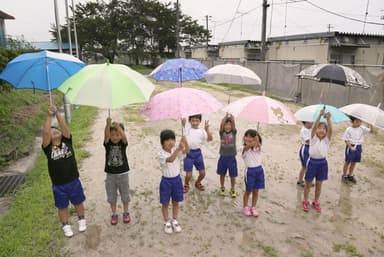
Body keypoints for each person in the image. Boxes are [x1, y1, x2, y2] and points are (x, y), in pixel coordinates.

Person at [42, 105, 86, 238]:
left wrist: (57, 114)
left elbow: (63, 125)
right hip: (58, 185)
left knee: (78, 202)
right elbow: (45, 133)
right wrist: (49, 116)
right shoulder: (48, 148)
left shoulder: (67, 141)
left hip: (73, 181)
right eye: (51, 131)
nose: (53, 131)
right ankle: (66, 225)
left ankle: (81, 219)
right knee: (62, 206)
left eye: (56, 130)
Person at [159, 129, 189, 234]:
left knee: (176, 202)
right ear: (162, 142)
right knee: (165, 203)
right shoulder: (161, 154)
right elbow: (170, 159)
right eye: (167, 140)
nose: (171, 141)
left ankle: (175, 220)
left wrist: (185, 142)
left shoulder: (175, 150)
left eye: (173, 139)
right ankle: (166, 221)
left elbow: (186, 151)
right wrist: (178, 149)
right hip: (166, 181)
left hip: (177, 180)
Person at [302, 108, 332, 212]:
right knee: (308, 184)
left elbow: (331, 131)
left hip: (323, 163)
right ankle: (305, 200)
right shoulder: (313, 138)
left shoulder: (326, 140)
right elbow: (314, 127)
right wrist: (319, 116)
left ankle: (316, 201)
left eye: (324, 129)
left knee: (319, 185)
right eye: (320, 128)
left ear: (326, 132)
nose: (321, 130)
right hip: (312, 162)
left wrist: (328, 120)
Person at [104, 117, 131, 225]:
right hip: (110, 175)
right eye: (112, 135)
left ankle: (126, 212)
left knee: (125, 195)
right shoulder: (108, 144)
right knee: (112, 196)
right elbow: (106, 135)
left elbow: (124, 137)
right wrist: (108, 124)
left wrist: (118, 127)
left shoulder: (122, 144)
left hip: (123, 174)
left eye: (117, 135)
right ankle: (114, 214)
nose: (115, 137)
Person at [182, 114, 213, 193]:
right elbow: (183, 122)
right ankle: (186, 184)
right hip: (188, 154)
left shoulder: (202, 131)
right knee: (188, 175)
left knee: (202, 173)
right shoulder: (187, 129)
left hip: (198, 154)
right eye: (193, 120)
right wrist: (183, 123)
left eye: (197, 120)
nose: (195, 122)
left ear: (200, 121)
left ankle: (198, 182)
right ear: (190, 121)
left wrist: (207, 129)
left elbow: (210, 139)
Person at [342, 116, 373, 184]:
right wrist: (350, 147)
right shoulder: (349, 129)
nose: (359, 123)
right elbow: (346, 140)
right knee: (347, 162)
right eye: (357, 121)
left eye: (360, 121)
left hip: (358, 147)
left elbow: (371, 131)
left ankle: (350, 175)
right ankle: (344, 175)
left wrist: (371, 124)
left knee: (354, 162)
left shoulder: (362, 128)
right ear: (352, 122)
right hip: (351, 147)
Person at [242, 129, 264, 217]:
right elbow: (247, 146)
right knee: (248, 191)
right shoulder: (244, 149)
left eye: (251, 137)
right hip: (250, 172)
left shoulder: (258, 148)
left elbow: (257, 144)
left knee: (256, 191)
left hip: (259, 170)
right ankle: (245, 207)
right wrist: (251, 141)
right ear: (244, 138)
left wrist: (256, 139)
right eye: (247, 136)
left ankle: (253, 207)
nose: (249, 138)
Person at [217, 113, 238, 197]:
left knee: (233, 175)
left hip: (232, 158)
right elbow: (221, 125)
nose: (228, 126)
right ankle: (222, 187)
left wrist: (232, 118)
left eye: (229, 125)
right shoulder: (222, 133)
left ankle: (232, 189)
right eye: (226, 124)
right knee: (222, 174)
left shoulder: (234, 132)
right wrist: (225, 117)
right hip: (223, 157)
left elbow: (233, 124)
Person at [297, 121, 312, 187]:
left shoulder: (311, 129)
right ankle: (301, 181)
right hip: (305, 148)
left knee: (308, 166)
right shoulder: (303, 130)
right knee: (305, 166)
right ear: (305, 122)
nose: (312, 123)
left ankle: (307, 181)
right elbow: (308, 141)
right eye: (310, 122)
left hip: (311, 148)